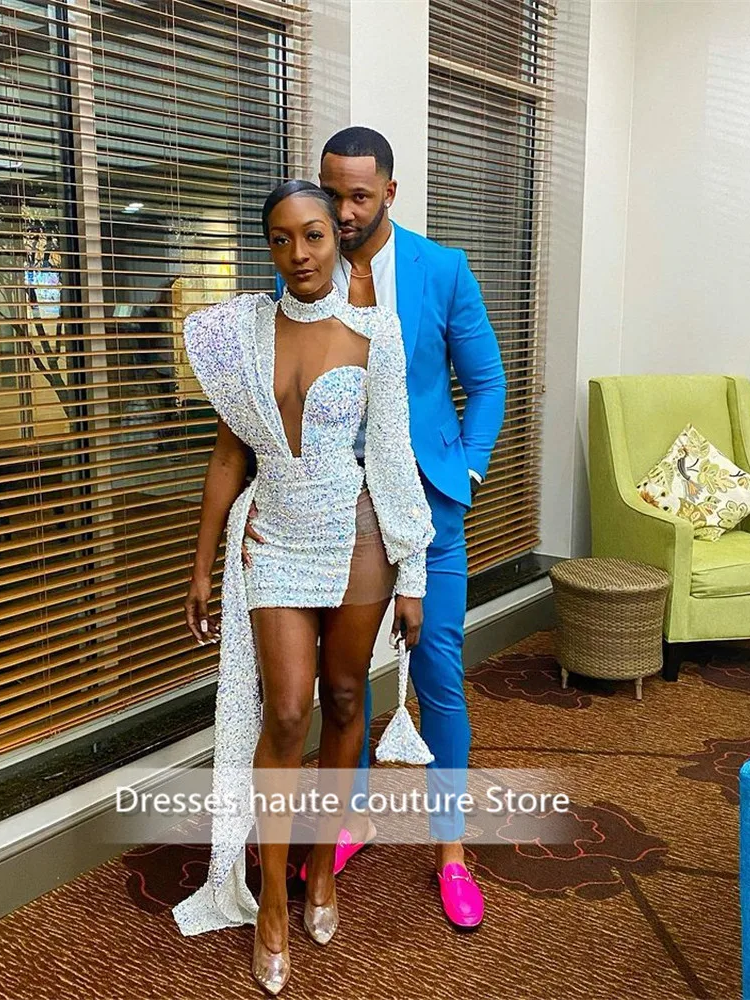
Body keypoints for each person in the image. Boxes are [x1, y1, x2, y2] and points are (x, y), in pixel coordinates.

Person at [172, 179, 435, 995]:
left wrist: (413, 573)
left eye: (313, 235)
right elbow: (228, 456)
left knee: (346, 698)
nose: (299, 253)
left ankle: (322, 870)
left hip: (359, 538)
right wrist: (201, 564)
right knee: (286, 712)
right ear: (269, 247)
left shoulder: (374, 332)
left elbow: (390, 454)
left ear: (338, 237)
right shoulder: (242, 334)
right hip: (275, 540)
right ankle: (271, 906)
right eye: (281, 239)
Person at [255, 127, 507, 929]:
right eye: (333, 193)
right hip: (328, 516)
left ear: (390, 192)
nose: (343, 211)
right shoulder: (304, 271)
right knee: (344, 682)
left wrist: (465, 471)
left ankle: (450, 848)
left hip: (424, 508)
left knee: (436, 673)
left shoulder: (441, 269)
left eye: (359, 196)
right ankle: (349, 821)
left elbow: (487, 382)